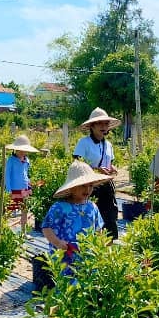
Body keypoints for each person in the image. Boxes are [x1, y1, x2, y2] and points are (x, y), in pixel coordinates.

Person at [41, 160, 109, 280]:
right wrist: (57, 242)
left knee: (86, 284)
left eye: (90, 186)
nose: (87, 189)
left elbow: (98, 229)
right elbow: (47, 227)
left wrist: (100, 246)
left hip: (87, 255)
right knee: (66, 286)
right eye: (83, 186)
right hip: (65, 255)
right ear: (72, 188)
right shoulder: (60, 207)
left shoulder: (92, 207)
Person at [73, 107, 121, 239]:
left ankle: (107, 249)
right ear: (92, 126)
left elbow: (108, 163)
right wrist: (95, 169)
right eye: (99, 123)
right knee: (91, 216)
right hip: (90, 186)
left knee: (110, 217)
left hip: (106, 184)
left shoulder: (109, 145)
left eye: (105, 123)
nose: (103, 126)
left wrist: (112, 168)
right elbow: (77, 164)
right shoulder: (84, 143)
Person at [4, 134, 40, 233]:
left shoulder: (26, 160)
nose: (22, 152)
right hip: (14, 189)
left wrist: (29, 183)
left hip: (25, 189)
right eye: (20, 150)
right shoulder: (11, 160)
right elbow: (7, 175)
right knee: (9, 210)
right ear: (16, 149)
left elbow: (25, 174)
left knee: (24, 210)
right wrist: (8, 190)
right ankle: (4, 231)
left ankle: (23, 232)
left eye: (24, 150)